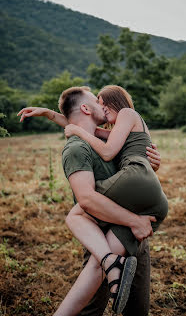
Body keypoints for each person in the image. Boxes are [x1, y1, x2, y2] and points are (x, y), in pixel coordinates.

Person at [17, 86, 163, 316]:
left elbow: (119, 156)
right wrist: (135, 220)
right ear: (86, 108)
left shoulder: (111, 133)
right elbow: (87, 199)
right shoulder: (77, 148)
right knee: (90, 309)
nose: (101, 105)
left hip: (133, 234)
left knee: (138, 309)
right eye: (97, 101)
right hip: (104, 237)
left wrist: (149, 163)